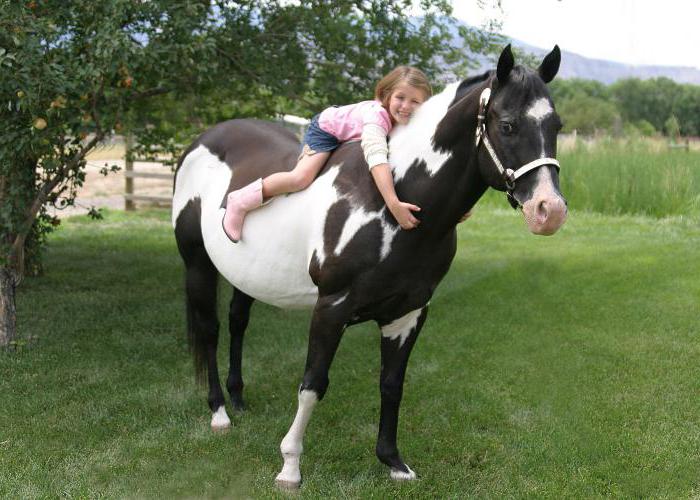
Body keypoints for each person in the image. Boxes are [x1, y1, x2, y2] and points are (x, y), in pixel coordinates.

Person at [222, 66, 432, 243]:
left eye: (415, 101)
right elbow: (377, 157)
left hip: (351, 134)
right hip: (327, 130)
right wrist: (393, 203)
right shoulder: (376, 116)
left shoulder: (414, 123)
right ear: (387, 95)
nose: (406, 106)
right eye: (400, 97)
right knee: (300, 178)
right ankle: (240, 201)